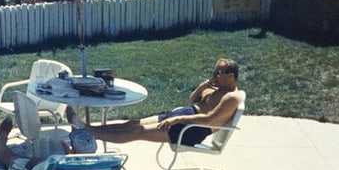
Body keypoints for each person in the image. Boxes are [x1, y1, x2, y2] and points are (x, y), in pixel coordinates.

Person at [89, 59, 242, 146]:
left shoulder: (231, 97)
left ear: (231, 76)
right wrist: (203, 86)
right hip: (185, 116)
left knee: (138, 131)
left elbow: (209, 119)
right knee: (133, 123)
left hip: (192, 129)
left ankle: (90, 135)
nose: (214, 75)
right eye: (214, 71)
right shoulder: (217, 88)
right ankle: (89, 129)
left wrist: (177, 118)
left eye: (218, 73)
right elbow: (193, 101)